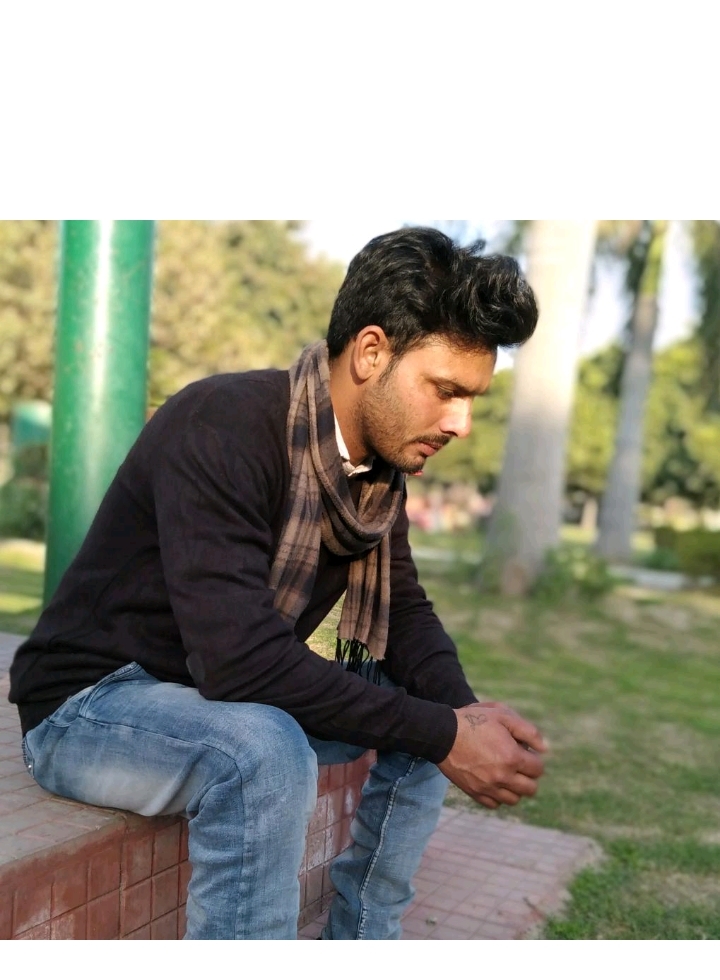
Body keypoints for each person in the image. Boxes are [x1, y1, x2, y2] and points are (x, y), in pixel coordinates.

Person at [8, 227, 546, 940]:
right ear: (371, 352)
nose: (462, 423)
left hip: (207, 695)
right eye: (446, 390)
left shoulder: (375, 477)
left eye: (472, 398)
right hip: (91, 707)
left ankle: (361, 939)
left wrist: (463, 719)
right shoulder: (223, 425)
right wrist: (447, 733)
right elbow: (240, 660)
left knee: (427, 714)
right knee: (263, 752)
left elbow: (405, 614)